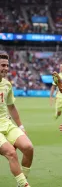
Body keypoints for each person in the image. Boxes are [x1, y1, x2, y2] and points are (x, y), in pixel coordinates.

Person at [0, 52, 33, 187]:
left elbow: (11, 106)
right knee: (11, 153)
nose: (6, 68)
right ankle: (25, 185)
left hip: (6, 123)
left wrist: (21, 127)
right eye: (2, 65)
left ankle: (22, 182)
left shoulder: (7, 84)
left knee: (28, 148)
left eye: (7, 65)